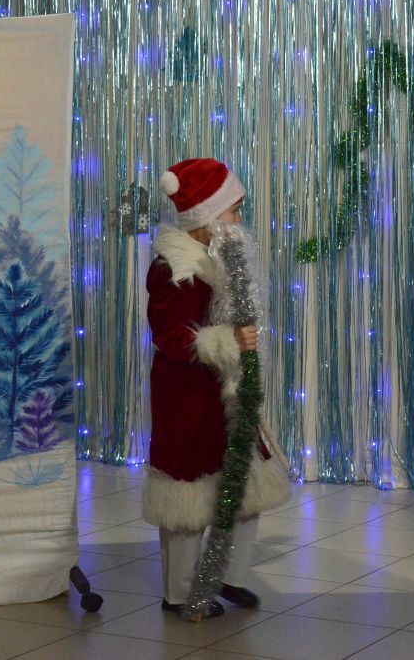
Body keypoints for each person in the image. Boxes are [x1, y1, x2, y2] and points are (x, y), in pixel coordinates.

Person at [143, 157, 291, 618]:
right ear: (207, 214)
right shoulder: (177, 268)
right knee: (187, 495)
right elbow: (170, 336)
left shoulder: (221, 258)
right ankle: (180, 592)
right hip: (187, 396)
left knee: (245, 482)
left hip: (223, 393)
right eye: (234, 210)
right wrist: (229, 341)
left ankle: (228, 574)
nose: (239, 220)